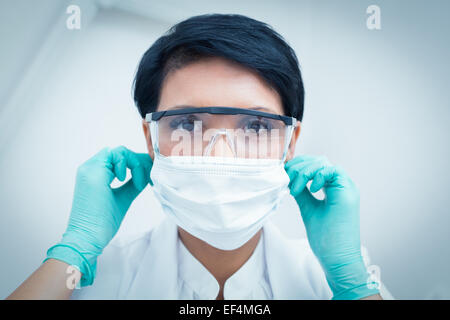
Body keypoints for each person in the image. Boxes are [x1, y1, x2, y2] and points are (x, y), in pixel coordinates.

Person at [7, 13, 392, 300]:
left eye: (256, 127)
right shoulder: (85, 283)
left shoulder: (334, 284)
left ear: (290, 144)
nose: (222, 152)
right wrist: (74, 251)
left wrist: (352, 282)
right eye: (188, 123)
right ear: (151, 139)